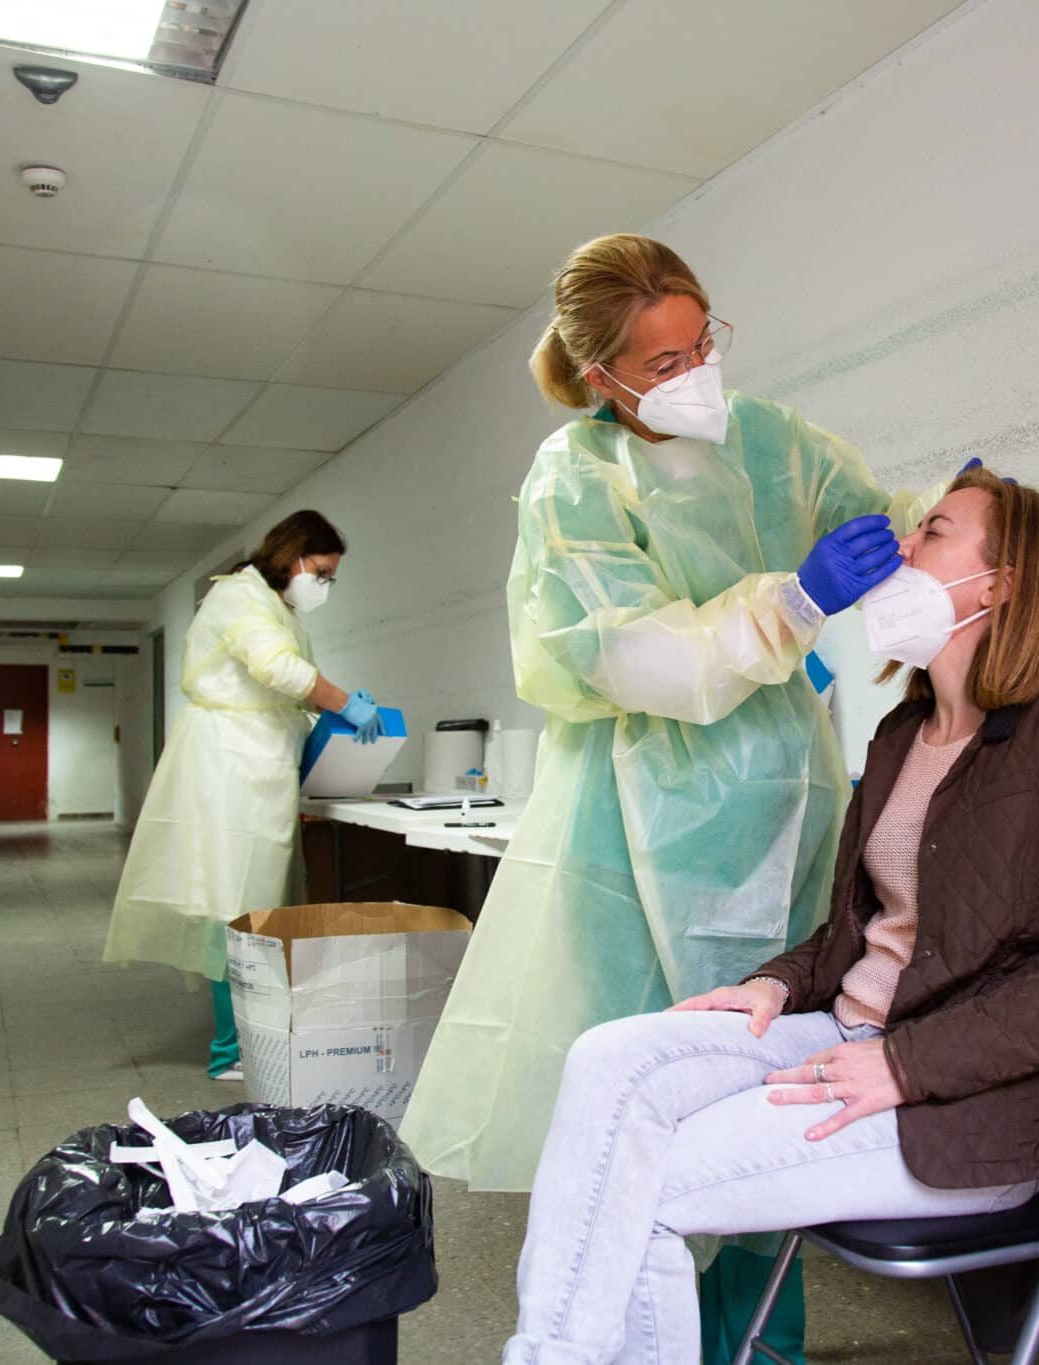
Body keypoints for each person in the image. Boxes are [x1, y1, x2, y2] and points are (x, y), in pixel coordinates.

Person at [399, 234, 940, 1360]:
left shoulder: (771, 441)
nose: (695, 373)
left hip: (785, 805)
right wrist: (790, 603)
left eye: (702, 343)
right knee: (653, 1080)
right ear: (597, 376)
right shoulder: (575, 480)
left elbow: (882, 520)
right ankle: (654, 1337)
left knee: (770, 1063)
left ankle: (766, 1344)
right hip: (640, 826)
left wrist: (945, 520)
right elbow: (622, 655)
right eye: (660, 361)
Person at [500, 469, 1039, 1364]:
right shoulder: (904, 734)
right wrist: (772, 984)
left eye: (932, 530)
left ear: (1003, 582)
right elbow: (855, 935)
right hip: (842, 1034)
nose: (902, 548)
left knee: (638, 1189)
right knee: (607, 1061)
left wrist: (906, 1061)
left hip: (971, 1101)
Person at [103, 510, 384, 1081]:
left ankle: (254, 1029)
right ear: (294, 557)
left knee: (255, 903)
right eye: (323, 572)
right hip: (228, 769)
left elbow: (281, 684)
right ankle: (230, 1050)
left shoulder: (272, 606)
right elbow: (277, 668)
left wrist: (327, 708)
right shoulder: (239, 597)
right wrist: (338, 701)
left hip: (258, 769)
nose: (324, 585)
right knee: (232, 904)